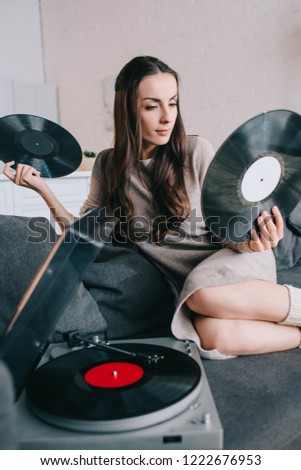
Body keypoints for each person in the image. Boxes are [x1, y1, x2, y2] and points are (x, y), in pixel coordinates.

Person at [3, 56, 301, 360]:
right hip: (186, 285)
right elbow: (83, 234)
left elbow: (228, 229)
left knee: (204, 297)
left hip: (229, 262)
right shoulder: (108, 165)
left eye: (172, 103)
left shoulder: (196, 151)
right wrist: (43, 190)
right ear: (128, 109)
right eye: (152, 106)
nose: (166, 117)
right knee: (213, 338)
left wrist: (254, 241)